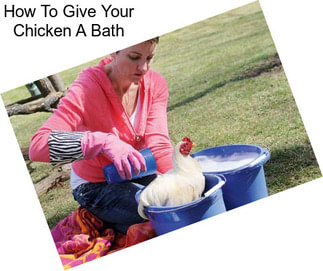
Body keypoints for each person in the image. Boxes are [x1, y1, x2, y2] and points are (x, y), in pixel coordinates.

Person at [29, 37, 174, 234]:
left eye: (149, 58)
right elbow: (38, 147)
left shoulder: (155, 83)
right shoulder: (86, 89)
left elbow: (159, 144)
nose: (144, 68)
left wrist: (179, 177)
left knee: (178, 201)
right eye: (134, 57)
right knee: (162, 214)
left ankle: (119, 224)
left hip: (138, 173)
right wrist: (104, 142)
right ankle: (107, 219)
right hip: (95, 184)